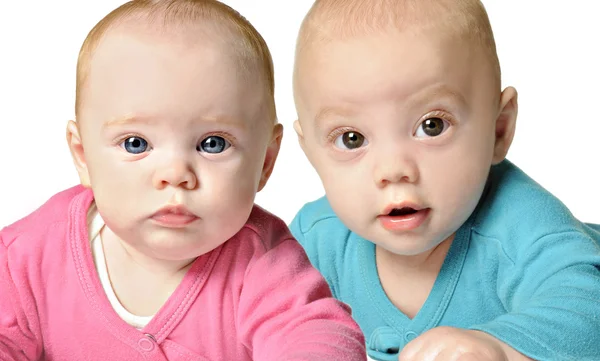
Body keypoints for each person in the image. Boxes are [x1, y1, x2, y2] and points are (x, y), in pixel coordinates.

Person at [0, 1, 367, 360]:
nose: (175, 175)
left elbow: (315, 334)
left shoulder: (262, 263)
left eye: (212, 144)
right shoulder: (27, 258)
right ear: (83, 156)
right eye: (136, 143)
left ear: (266, 162)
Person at [289, 0, 600, 360]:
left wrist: (498, 348)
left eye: (431, 126)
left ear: (498, 130)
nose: (393, 169)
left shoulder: (525, 229)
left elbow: (587, 305)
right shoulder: (315, 242)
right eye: (351, 139)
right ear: (310, 151)